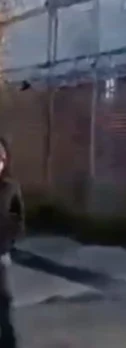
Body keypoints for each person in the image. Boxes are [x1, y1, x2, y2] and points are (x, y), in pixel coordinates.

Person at [0, 140, 22, 348]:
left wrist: (10, 240)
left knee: (4, 301)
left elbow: (18, 217)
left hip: (1, 252)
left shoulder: (11, 187)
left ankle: (8, 343)